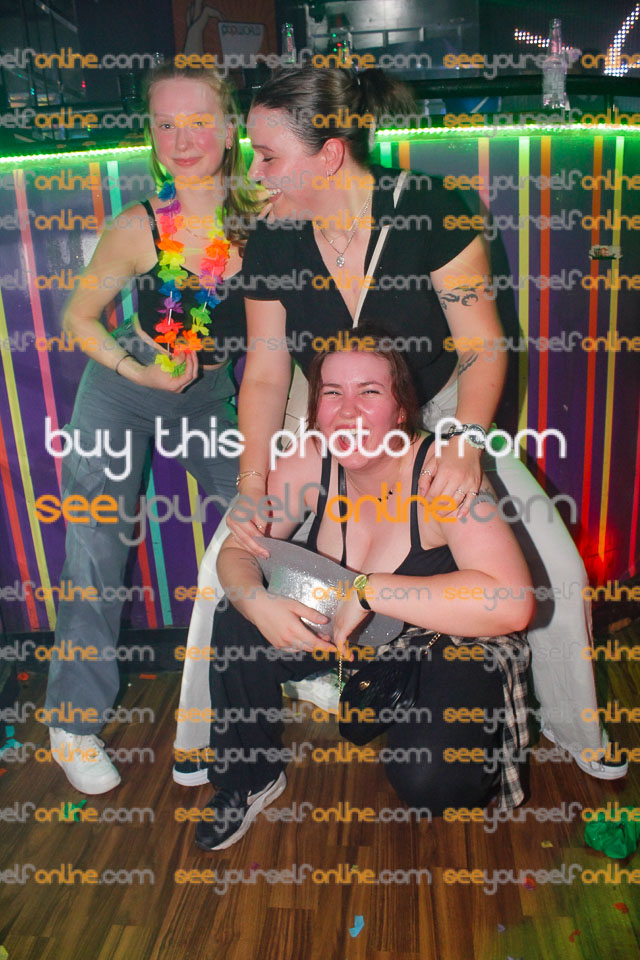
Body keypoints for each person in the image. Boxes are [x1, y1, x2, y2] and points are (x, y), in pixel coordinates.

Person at [224, 62, 626, 781]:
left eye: (269, 156)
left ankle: (572, 727)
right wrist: (252, 480)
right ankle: (218, 751)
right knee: (225, 562)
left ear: (329, 154)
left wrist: (465, 441)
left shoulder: (433, 207)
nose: (254, 173)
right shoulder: (274, 238)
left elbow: (482, 346)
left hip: (440, 407)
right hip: (328, 408)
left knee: (557, 570)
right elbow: (264, 372)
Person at [193, 333, 534, 851]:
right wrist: (257, 604)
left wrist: (371, 589)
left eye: (369, 392)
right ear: (315, 407)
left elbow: (512, 604)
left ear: (401, 409)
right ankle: (249, 777)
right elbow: (238, 550)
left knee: (433, 783)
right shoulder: (311, 458)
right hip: (346, 628)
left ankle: (445, 727)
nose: (347, 411)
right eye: (332, 393)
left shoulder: (443, 475)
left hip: (440, 640)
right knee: (236, 616)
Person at [43, 63, 262, 795]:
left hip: (209, 399)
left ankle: (297, 659)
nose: (181, 138)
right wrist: (134, 373)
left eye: (197, 120)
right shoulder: (138, 225)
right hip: (122, 391)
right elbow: (78, 318)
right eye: (165, 123)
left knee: (267, 518)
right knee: (95, 551)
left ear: (230, 128)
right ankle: (71, 723)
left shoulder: (267, 217)